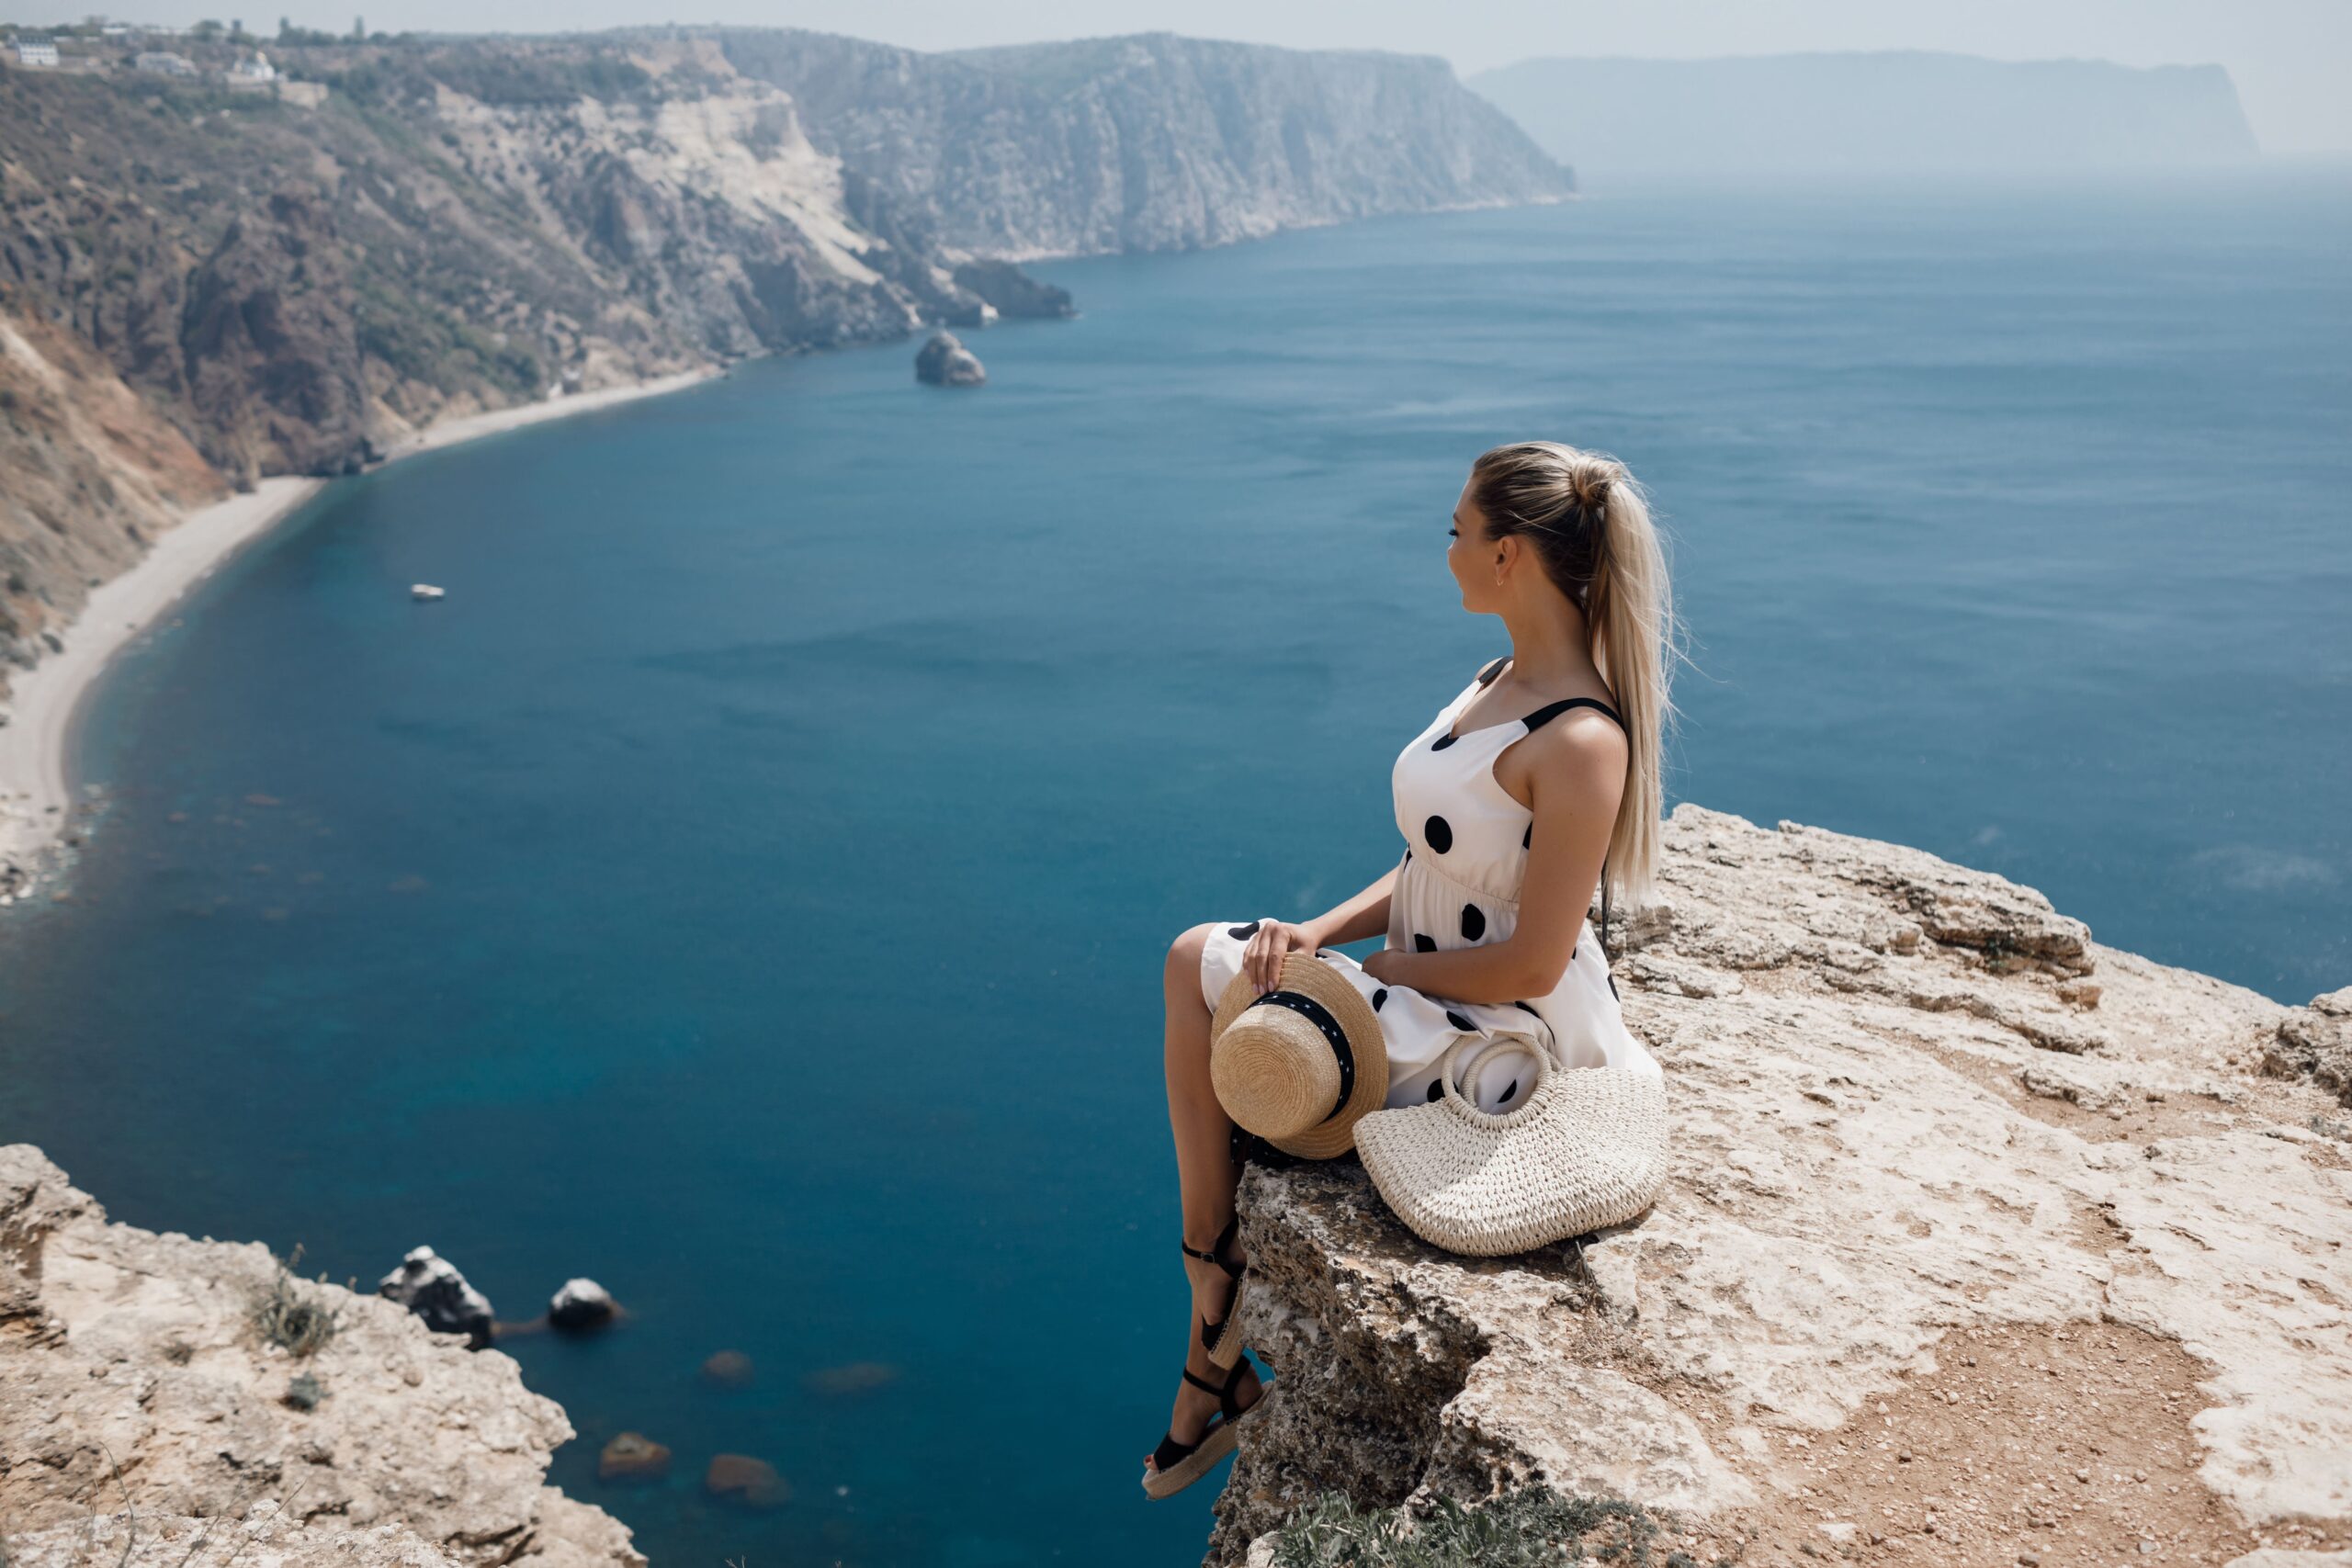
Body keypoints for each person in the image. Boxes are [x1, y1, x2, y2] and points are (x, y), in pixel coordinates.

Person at [1141, 439, 1677, 1495]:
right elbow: (1432, 866)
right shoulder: (1494, 682)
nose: (1447, 555)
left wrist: (1374, 972)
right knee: (1200, 962)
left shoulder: (1578, 739)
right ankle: (1213, 1280)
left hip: (1490, 1026)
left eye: (1457, 534)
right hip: (1418, 976)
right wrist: (1315, 935)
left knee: (1206, 973)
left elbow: (1530, 954)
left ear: (1511, 555)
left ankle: (1212, 1342)